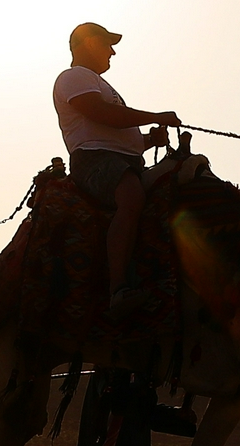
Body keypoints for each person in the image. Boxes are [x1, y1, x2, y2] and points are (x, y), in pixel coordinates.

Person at [52, 24, 179, 310]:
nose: (112, 50)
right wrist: (154, 116)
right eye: (106, 43)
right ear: (86, 44)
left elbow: (118, 132)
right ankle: (118, 289)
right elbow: (104, 115)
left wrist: (149, 140)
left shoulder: (96, 82)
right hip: (93, 160)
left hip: (123, 160)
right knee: (132, 197)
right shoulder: (73, 78)